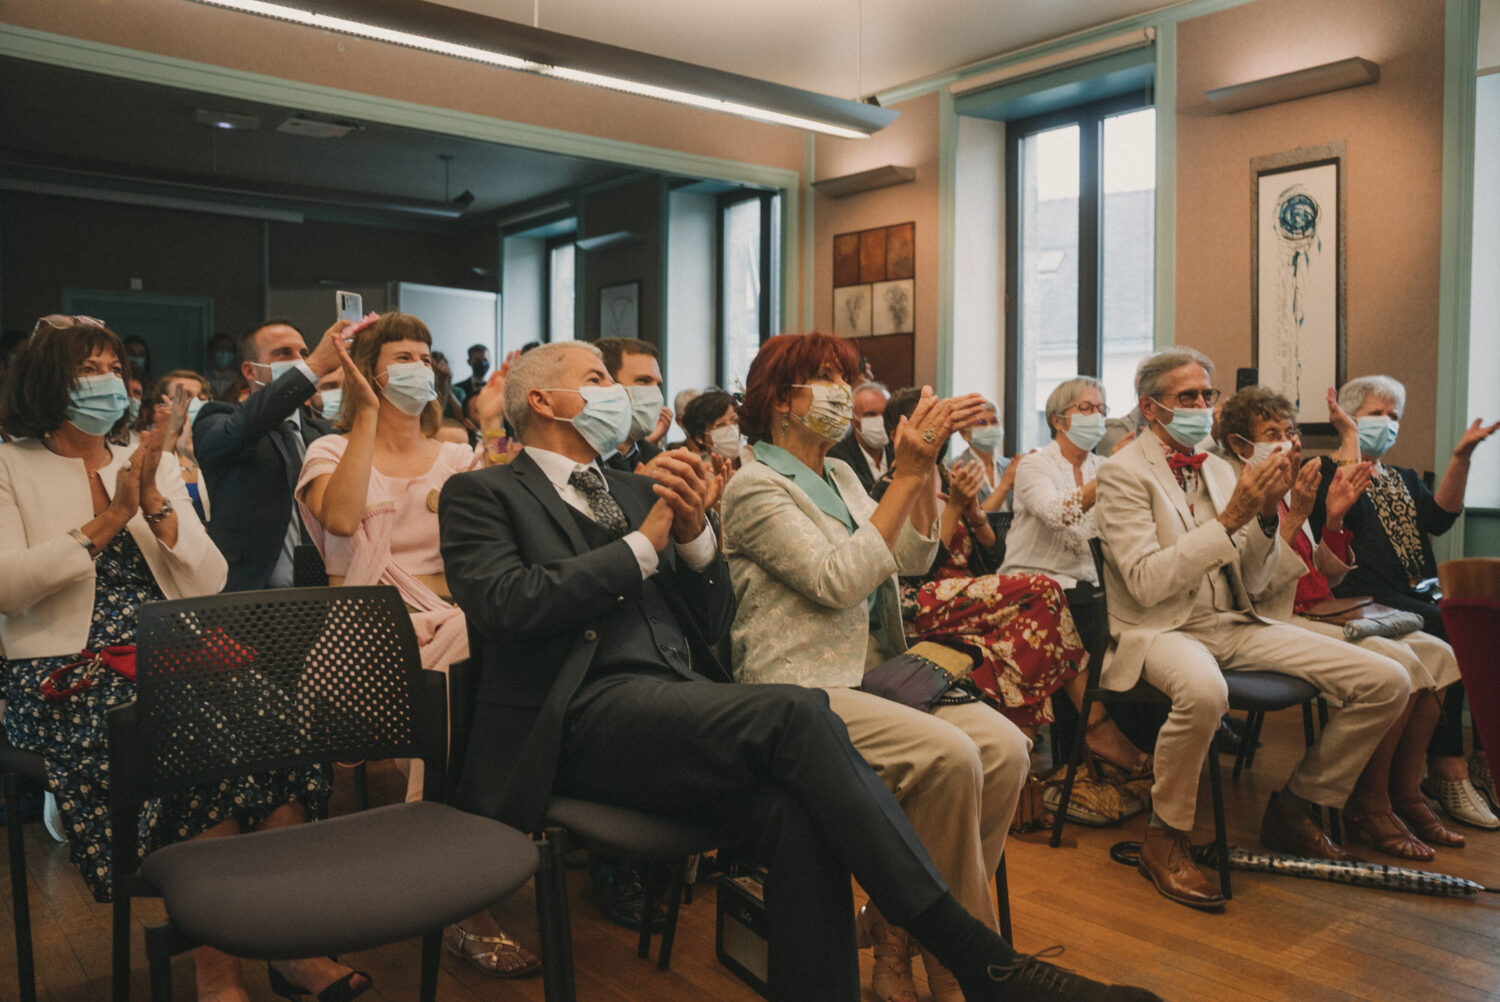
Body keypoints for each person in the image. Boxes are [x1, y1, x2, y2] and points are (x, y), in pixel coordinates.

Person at [439, 339, 1160, 1002]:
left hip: (672, 704)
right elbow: (507, 606)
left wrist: (694, 545)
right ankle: (975, 957)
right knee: (796, 710)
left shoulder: (636, 489)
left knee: (802, 814)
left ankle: (905, 964)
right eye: (597, 379)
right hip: (576, 718)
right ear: (541, 401)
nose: (616, 394)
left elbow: (710, 624)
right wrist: (647, 544)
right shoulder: (487, 495)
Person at [0, 316, 361, 1002]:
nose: (109, 382)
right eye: (89, 370)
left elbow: (208, 578)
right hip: (62, 664)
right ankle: (218, 970)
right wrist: (106, 524)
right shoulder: (8, 464)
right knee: (195, 740)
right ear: (48, 382)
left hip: (169, 642)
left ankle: (288, 947)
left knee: (279, 724)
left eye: (114, 369)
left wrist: (158, 507)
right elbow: (6, 589)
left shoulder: (149, 460)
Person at [720, 333, 1030, 1002]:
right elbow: (837, 580)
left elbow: (910, 558)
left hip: (877, 672)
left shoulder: (840, 475)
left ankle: (896, 936)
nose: (841, 391)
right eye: (826, 378)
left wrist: (923, 477)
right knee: (950, 758)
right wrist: (910, 474)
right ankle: (967, 972)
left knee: (1007, 750)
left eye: (845, 376)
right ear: (780, 399)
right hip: (800, 686)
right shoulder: (754, 486)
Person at [1094, 347, 1408, 911]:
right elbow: (1145, 582)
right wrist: (1234, 518)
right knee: (1204, 689)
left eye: (1206, 396)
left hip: (1233, 621)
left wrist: (1275, 519)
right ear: (1150, 406)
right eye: (1186, 397)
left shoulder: (1216, 468)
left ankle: (1296, 804)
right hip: (1160, 630)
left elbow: (1257, 581)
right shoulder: (1121, 474)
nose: (1202, 406)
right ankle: (1164, 837)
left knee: (1387, 679)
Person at [294, 313, 537, 979]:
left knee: (481, 669)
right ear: (369, 373)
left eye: (428, 356)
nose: (421, 366)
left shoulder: (459, 456)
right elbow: (342, 518)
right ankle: (460, 897)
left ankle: (453, 870)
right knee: (453, 689)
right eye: (403, 355)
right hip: (363, 624)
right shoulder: (326, 452)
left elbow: (503, 536)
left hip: (451, 617)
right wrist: (365, 416)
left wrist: (493, 427)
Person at [1218, 385, 1464, 858]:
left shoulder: (1294, 486)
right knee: (1403, 668)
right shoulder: (1235, 488)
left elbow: (1325, 570)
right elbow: (1256, 585)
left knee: (1442, 655)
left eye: (1290, 432)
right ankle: (1367, 800)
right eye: (1273, 433)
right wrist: (1299, 520)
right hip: (1276, 615)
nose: (1288, 443)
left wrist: (1330, 519)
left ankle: (1404, 793)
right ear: (1240, 445)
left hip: (1319, 605)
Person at [1313, 374, 1500, 830]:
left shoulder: (1402, 477)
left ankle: (1481, 757)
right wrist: (1350, 440)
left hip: (1415, 590)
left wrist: (1461, 457)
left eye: (1393, 415)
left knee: (1474, 620)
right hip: (1361, 593)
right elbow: (1344, 515)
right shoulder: (1327, 469)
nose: (1388, 423)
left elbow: (1440, 518)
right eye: (1376, 414)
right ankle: (1445, 764)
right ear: (1350, 419)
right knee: (1443, 624)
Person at [988, 376, 1153, 774]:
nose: (1096, 417)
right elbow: (1058, 514)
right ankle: (1097, 737)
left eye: (1101, 409)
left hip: (1088, 589)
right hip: (1030, 587)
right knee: (1080, 618)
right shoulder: (1034, 466)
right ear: (1058, 420)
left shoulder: (1104, 466)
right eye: (1086, 409)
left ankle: (1125, 741)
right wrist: (1114, 474)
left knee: (1139, 625)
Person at [193, 317, 351, 591]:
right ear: (250, 370)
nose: (300, 361)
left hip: (321, 595)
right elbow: (249, 424)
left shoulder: (324, 436)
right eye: (283, 354)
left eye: (304, 353)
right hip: (246, 597)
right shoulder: (218, 419)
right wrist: (313, 367)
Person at [136, 369, 215, 522]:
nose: (193, 403)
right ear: (160, 406)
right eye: (184, 396)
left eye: (200, 397)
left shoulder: (214, 448)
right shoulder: (144, 449)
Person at [596, 337, 672, 472]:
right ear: (606, 387)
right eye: (643, 381)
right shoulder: (575, 459)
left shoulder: (661, 461)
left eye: (658, 385)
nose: (656, 394)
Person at [947, 399, 1017, 508]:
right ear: (964, 434)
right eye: (981, 423)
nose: (989, 427)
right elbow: (970, 519)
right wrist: (1005, 485)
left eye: (994, 421)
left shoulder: (1009, 466)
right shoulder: (955, 469)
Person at [205, 332, 239, 398]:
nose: (225, 353)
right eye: (221, 348)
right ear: (211, 352)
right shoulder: (204, 378)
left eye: (229, 349)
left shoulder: (238, 380)